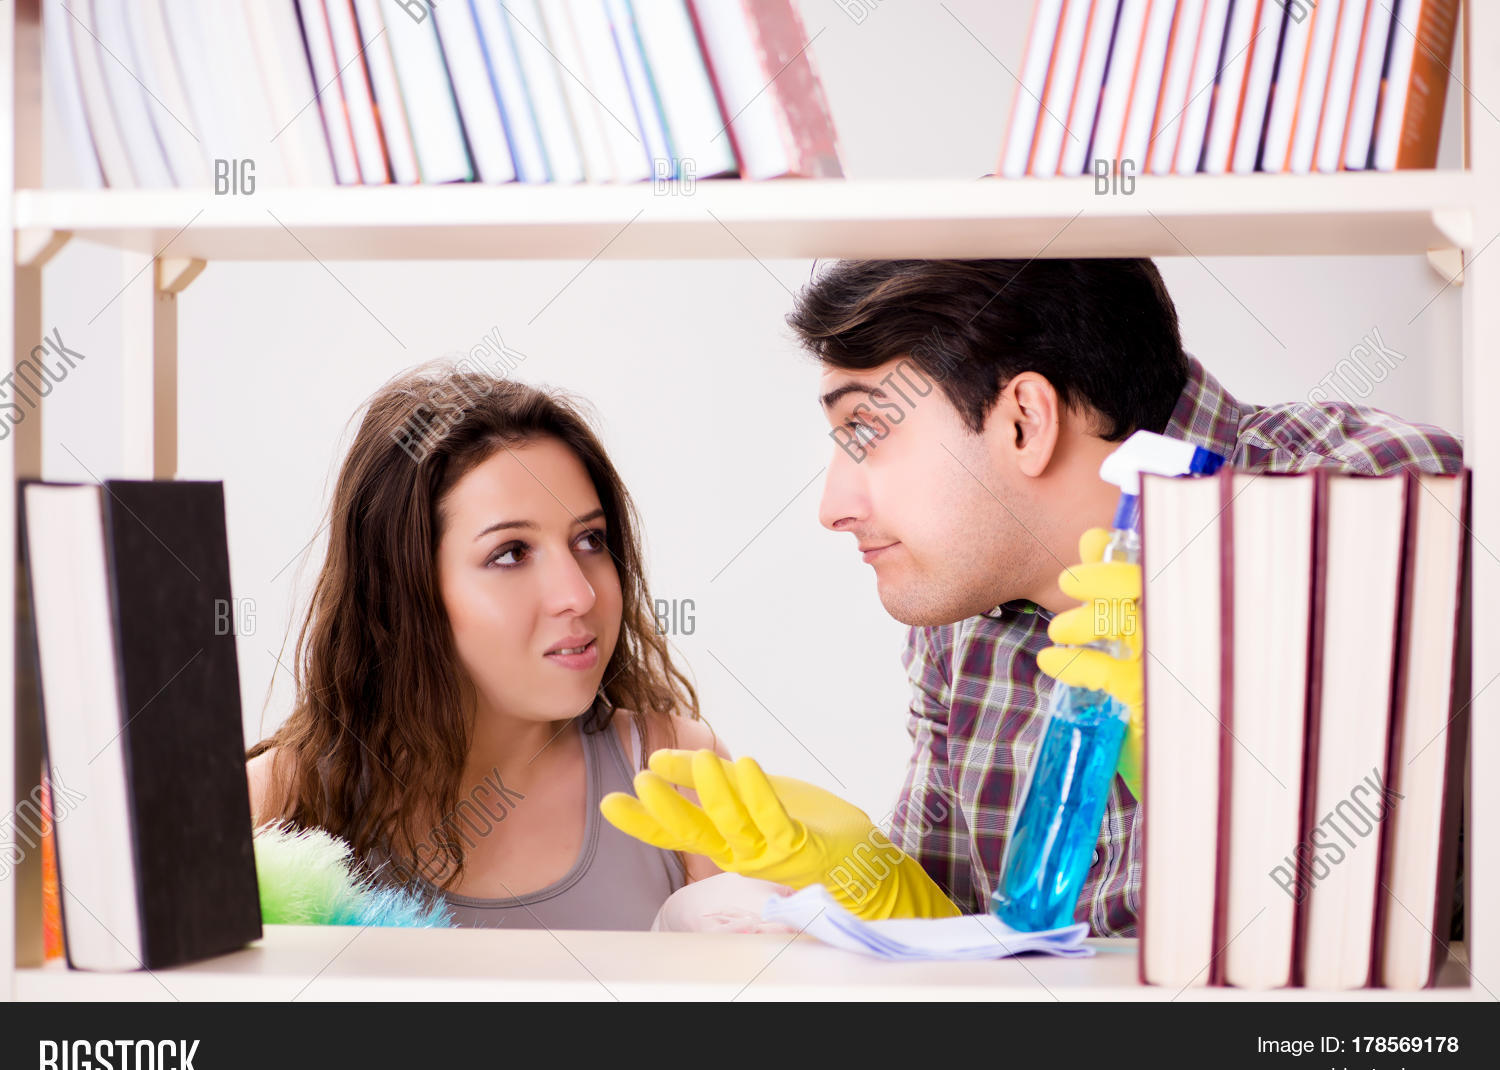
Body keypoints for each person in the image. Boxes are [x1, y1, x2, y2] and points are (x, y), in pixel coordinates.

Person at [603, 257, 1464, 936]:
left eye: (865, 432)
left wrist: (1223, 741)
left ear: (1024, 420)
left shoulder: (1368, 495)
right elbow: (975, 951)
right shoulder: (965, 614)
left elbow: (1395, 930)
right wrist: (873, 886)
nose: (833, 506)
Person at [246, 359, 737, 930]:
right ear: (403, 587)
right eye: (511, 553)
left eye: (590, 540)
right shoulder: (276, 801)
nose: (578, 594)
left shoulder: (679, 772)